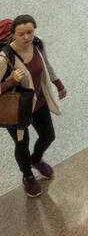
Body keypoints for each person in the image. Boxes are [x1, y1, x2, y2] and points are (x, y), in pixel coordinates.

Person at [1, 15, 67, 198]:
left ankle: (36, 159)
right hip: (17, 110)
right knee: (22, 144)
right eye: (21, 34)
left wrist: (58, 84)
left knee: (48, 136)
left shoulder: (38, 44)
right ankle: (27, 176)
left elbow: (47, 65)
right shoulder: (5, 57)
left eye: (30, 32)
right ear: (13, 34)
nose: (26, 37)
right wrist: (11, 81)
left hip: (39, 102)